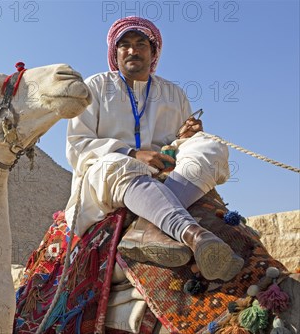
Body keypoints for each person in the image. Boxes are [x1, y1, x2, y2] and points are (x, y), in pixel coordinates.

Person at [65, 17, 243, 282]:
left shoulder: (174, 93)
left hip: (166, 173)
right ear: (114, 53)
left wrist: (187, 137)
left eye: (140, 44)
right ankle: (193, 234)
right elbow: (77, 145)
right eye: (124, 45)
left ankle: (146, 226)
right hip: (107, 179)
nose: (132, 50)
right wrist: (131, 154)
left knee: (211, 145)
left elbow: (180, 145)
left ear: (153, 51)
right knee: (119, 163)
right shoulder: (95, 87)